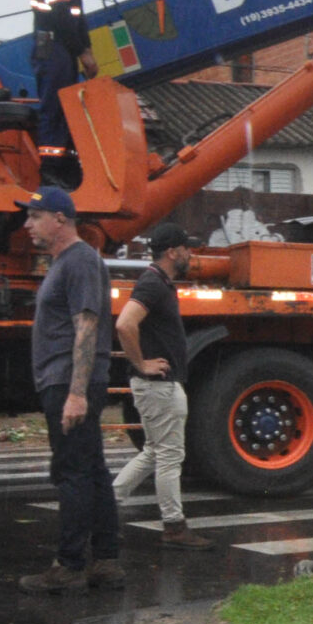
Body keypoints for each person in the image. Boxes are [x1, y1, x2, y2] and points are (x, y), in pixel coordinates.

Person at [17, 187, 123, 593]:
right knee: (91, 469)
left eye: (34, 216)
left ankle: (70, 565)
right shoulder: (67, 262)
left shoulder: (79, 260)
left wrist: (76, 393)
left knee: (73, 472)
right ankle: (106, 562)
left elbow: (87, 325)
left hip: (69, 381)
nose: (27, 224)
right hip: (66, 380)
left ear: (59, 219)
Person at [113, 222, 212, 550]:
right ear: (172, 252)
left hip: (158, 386)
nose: (190, 254)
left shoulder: (158, 282)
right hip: (159, 386)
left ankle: (106, 505)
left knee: (155, 452)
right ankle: (174, 526)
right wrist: (142, 363)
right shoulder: (153, 283)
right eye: (186, 248)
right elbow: (125, 324)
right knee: (169, 456)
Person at [30, 0, 95, 152]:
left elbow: (77, 15)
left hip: (63, 49)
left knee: (68, 107)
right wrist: (81, 52)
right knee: (54, 108)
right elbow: (60, 18)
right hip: (50, 47)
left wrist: (87, 48)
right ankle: (51, 164)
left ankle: (66, 160)